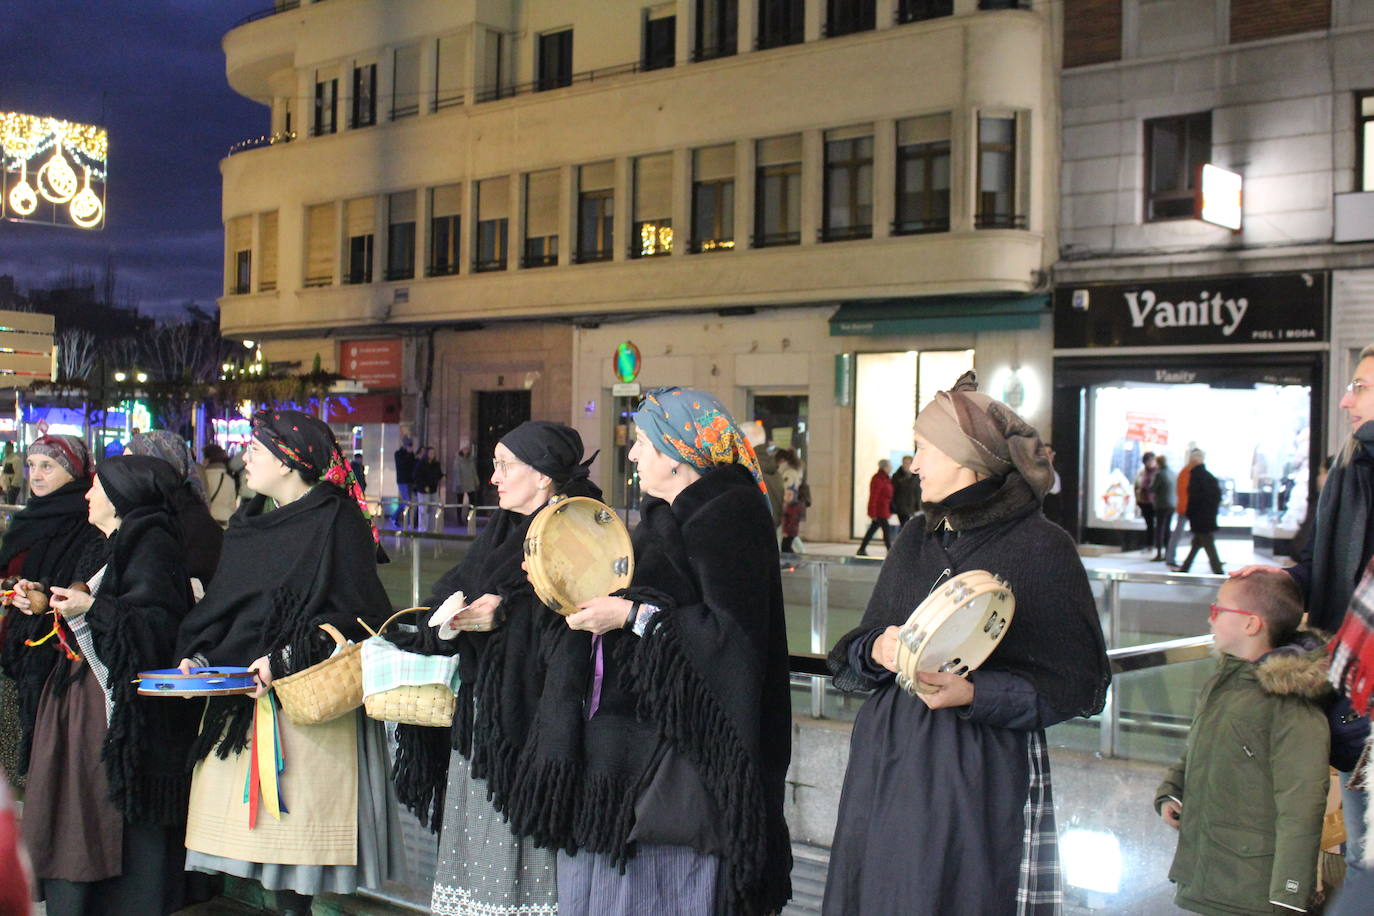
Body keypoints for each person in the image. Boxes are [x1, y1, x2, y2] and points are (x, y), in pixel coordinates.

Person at [824, 371, 1110, 915]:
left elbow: (1075, 684)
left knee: (958, 895)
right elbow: (855, 648)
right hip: (887, 761)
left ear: (963, 460)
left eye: (922, 450)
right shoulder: (918, 536)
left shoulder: (1041, 548)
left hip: (981, 771)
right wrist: (877, 649)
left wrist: (976, 695)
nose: (913, 465)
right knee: (878, 893)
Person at [521, 387, 792, 916]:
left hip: (679, 768)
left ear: (677, 450)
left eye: (643, 440)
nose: (633, 453)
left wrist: (628, 616)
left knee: (661, 892)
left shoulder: (729, 515)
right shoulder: (663, 518)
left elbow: (732, 643)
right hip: (627, 755)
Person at [175, 410, 400, 916]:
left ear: (289, 459)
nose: (244, 459)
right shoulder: (249, 523)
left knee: (301, 849)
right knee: (262, 852)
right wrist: (201, 656)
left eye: (255, 450)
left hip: (307, 701)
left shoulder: (335, 521)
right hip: (242, 703)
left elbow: (359, 611)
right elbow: (226, 607)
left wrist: (287, 658)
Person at [390, 420, 601, 916]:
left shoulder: (581, 528)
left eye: (505, 466)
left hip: (534, 733)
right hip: (486, 726)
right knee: (479, 859)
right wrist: (448, 622)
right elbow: (447, 593)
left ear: (545, 476)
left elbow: (572, 623)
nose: (494, 478)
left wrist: (503, 612)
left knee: (527, 861)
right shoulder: (504, 529)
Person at [19, 455, 197, 916]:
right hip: (82, 700)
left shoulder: (152, 545)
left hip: (115, 711)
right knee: (75, 807)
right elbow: (95, 600)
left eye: (96, 487)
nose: (87, 494)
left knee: (100, 810)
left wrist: (87, 608)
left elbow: (154, 625)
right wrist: (45, 599)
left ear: (121, 497)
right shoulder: (107, 543)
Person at [1238, 346, 1374, 897]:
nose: (1345, 400)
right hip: (1354, 692)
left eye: (1361, 387)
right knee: (1361, 844)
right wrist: (1286, 577)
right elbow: (1327, 568)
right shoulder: (1350, 470)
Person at [1155, 573, 1328, 914]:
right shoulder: (1225, 684)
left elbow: (1302, 805)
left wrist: (1289, 893)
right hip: (1210, 871)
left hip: (1253, 889)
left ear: (1251, 624)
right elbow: (1200, 747)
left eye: (1218, 609)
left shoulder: (1289, 702)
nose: (1210, 617)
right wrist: (1172, 790)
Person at [0, 437, 107, 791]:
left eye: (48, 466)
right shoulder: (27, 519)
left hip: (60, 655)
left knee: (46, 762)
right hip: (17, 645)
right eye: (31, 465)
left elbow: (84, 582)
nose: (36, 474)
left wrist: (42, 596)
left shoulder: (89, 518)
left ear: (74, 472)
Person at [126, 430, 223, 587]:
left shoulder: (188, 522)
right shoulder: (145, 511)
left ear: (156, 469)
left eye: (130, 465)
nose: (122, 473)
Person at [1178, 449, 1224, 574]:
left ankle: (1218, 571)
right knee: (1198, 542)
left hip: (1200, 517)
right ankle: (1185, 568)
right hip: (1207, 516)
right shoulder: (1208, 476)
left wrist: (1189, 513)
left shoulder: (1195, 477)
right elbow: (1217, 496)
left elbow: (1194, 499)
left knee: (1207, 543)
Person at [1165, 449, 1201, 567]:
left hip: (1188, 508)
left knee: (1200, 536)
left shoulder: (1188, 472)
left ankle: (1173, 558)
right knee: (1179, 534)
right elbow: (1186, 492)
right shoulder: (1188, 473)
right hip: (1187, 508)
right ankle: (1170, 557)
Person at [856, 459, 894, 556]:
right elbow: (874, 496)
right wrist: (872, 512)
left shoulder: (885, 478)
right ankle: (890, 551)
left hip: (883, 509)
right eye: (890, 466)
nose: (891, 468)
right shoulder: (878, 479)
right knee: (886, 530)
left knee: (873, 530)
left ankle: (862, 549)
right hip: (879, 511)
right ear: (884, 467)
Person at [201, 444, 239, 528]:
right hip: (225, 524)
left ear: (207, 460)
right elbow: (233, 507)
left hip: (207, 524)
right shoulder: (229, 479)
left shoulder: (203, 478)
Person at [778, 448, 807, 554]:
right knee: (791, 535)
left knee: (787, 536)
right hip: (794, 508)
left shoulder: (789, 473)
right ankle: (802, 554)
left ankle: (800, 556)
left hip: (789, 508)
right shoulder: (795, 471)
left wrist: (784, 505)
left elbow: (789, 492)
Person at [414, 445, 444, 532]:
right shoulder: (421, 464)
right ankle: (422, 529)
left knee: (433, 509)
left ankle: (431, 529)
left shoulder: (436, 464)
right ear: (426, 454)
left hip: (433, 490)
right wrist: (424, 486)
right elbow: (417, 477)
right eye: (431, 453)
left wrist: (442, 476)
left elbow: (438, 474)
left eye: (434, 453)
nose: (432, 455)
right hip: (424, 491)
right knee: (423, 510)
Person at [1150, 454, 1174, 562]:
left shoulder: (1159, 474)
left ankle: (1159, 553)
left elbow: (1153, 488)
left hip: (1162, 504)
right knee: (1167, 529)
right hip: (1172, 504)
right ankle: (1168, 553)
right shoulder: (1172, 473)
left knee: (1160, 529)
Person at [1134, 451, 1158, 554]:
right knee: (1149, 524)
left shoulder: (1158, 472)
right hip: (1144, 502)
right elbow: (1137, 486)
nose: (1150, 463)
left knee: (1156, 524)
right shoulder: (1142, 472)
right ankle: (1149, 544)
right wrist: (1138, 499)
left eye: (1151, 460)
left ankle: (1155, 544)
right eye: (1148, 461)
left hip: (1155, 502)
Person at [452, 444, 480, 524]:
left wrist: (476, 481)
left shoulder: (471, 460)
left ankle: (471, 518)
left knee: (472, 502)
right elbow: (457, 473)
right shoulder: (458, 460)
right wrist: (458, 484)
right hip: (461, 484)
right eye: (464, 449)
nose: (466, 451)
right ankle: (459, 519)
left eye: (467, 449)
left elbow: (473, 471)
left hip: (470, 483)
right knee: (459, 502)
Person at [891, 454, 920, 528]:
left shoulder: (916, 476)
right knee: (905, 527)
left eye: (908, 463)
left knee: (912, 528)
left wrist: (919, 506)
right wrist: (894, 506)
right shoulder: (896, 476)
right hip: (901, 508)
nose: (906, 465)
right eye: (904, 463)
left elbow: (918, 492)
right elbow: (893, 492)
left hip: (913, 507)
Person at [393, 436, 417, 527]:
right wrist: (408, 455)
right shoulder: (398, 454)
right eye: (408, 445)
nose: (410, 448)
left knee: (409, 501)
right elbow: (402, 465)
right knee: (407, 501)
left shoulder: (411, 454)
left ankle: (409, 521)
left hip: (410, 480)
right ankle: (395, 517)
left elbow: (413, 465)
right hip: (402, 480)